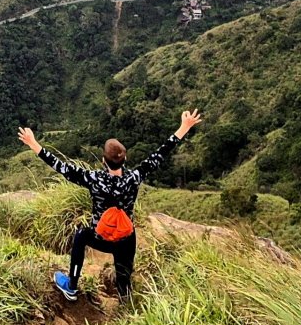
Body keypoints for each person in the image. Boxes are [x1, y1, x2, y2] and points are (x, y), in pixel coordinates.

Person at [17, 109, 203, 301]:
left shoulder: (94, 179)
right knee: (124, 278)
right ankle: (125, 300)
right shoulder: (134, 178)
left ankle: (71, 286)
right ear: (125, 159)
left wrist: (33, 143)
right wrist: (184, 127)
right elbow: (160, 154)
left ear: (104, 161)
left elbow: (61, 167)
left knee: (81, 236)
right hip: (124, 240)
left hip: (101, 237)